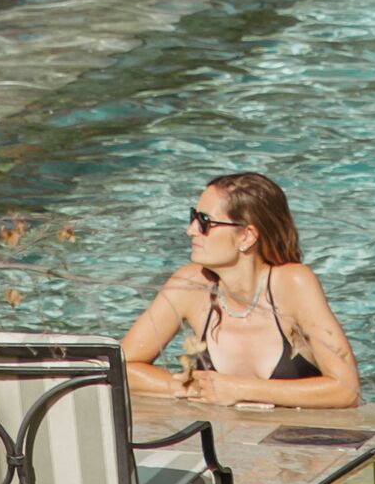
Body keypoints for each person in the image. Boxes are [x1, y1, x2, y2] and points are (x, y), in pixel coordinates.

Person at [121, 172, 359, 412]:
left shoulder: (292, 284)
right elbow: (122, 366)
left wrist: (239, 389)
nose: (191, 230)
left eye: (205, 221)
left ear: (246, 236)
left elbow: (346, 389)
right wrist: (193, 388)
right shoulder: (190, 285)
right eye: (193, 216)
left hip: (297, 441)